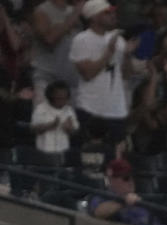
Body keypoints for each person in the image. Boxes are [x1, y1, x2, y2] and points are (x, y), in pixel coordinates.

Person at [68, 0, 134, 145]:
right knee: (87, 155)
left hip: (116, 109)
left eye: (113, 12)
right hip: (90, 107)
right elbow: (88, 74)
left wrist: (128, 56)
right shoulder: (81, 40)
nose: (113, 15)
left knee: (116, 160)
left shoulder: (119, 40)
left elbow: (127, 75)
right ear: (93, 17)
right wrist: (108, 52)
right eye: (107, 12)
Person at [30, 80, 78, 154]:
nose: (63, 100)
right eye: (59, 98)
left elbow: (74, 131)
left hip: (63, 151)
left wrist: (69, 129)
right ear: (51, 96)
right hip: (43, 151)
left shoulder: (69, 110)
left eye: (65, 98)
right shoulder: (41, 108)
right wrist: (50, 125)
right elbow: (33, 129)